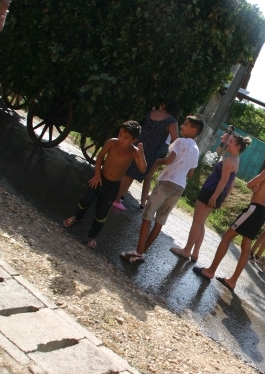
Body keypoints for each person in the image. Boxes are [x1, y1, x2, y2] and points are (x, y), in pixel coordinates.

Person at [192, 144, 265, 291]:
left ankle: (210, 271)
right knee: (245, 246)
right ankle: (232, 281)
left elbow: (250, 184)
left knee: (227, 237)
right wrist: (257, 187)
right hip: (262, 211)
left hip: (254, 209)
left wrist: (255, 186)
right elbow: (260, 188)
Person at [119, 115, 203, 262]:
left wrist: (158, 161)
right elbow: (190, 174)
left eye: (185, 124)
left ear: (193, 130)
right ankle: (142, 252)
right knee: (160, 220)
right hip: (179, 187)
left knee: (147, 215)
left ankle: (138, 252)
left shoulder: (180, 142)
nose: (182, 126)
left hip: (167, 182)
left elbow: (169, 160)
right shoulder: (196, 150)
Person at [169, 133, 252, 262]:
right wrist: (222, 198)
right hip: (214, 193)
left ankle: (186, 250)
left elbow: (224, 181)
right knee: (201, 223)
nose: (228, 143)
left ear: (238, 146)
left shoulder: (229, 161)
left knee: (197, 222)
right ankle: (195, 253)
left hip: (210, 192)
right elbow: (231, 183)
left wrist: (214, 197)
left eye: (231, 142)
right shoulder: (235, 160)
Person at [63, 121, 145, 249]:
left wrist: (141, 155)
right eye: (120, 134)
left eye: (126, 137)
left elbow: (143, 169)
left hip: (112, 187)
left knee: (101, 213)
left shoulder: (133, 152)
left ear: (134, 140)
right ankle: (77, 218)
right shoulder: (112, 142)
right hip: (99, 178)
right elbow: (100, 156)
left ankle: (92, 237)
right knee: (85, 201)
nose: (121, 139)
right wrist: (97, 175)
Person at [112, 100, 180, 211]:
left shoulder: (151, 113)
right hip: (150, 151)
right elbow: (176, 140)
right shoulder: (172, 121)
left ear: (163, 105)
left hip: (138, 143)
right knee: (131, 175)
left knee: (128, 172)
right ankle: (116, 199)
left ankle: (115, 196)